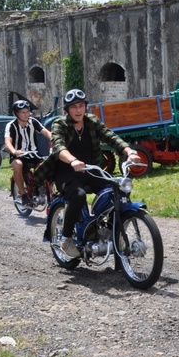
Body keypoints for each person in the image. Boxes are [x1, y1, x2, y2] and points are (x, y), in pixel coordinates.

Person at [36, 89, 140, 258]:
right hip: (66, 172)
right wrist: (72, 161)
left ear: (86, 107)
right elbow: (58, 147)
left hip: (90, 170)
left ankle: (112, 233)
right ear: (67, 110)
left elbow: (110, 136)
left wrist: (129, 151)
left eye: (81, 106)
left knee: (117, 189)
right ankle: (66, 239)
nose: (78, 110)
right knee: (78, 195)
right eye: (74, 107)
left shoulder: (91, 121)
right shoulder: (59, 125)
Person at [4, 100, 52, 207]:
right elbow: (7, 142)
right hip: (19, 155)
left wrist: (55, 139)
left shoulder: (33, 122)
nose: (26, 115)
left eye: (27, 112)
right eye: (23, 112)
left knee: (46, 167)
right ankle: (23, 194)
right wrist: (14, 151)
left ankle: (44, 190)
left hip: (33, 154)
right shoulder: (11, 126)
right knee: (18, 165)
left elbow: (46, 132)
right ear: (16, 114)